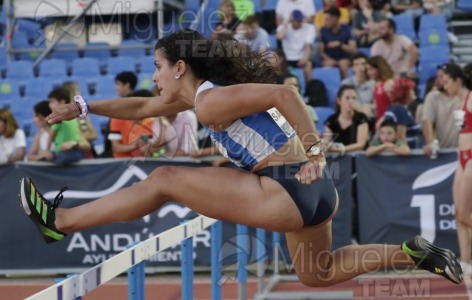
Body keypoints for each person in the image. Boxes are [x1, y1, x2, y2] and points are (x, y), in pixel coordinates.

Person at [21, 29, 462, 287]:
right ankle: (410, 253)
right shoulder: (204, 101)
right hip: (314, 194)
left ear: (179, 68)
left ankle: (61, 223)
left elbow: (285, 94)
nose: (152, 78)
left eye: (156, 67)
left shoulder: (211, 103)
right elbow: (140, 108)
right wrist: (82, 108)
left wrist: (314, 151)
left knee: (165, 179)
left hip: (288, 185)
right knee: (318, 273)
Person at [445, 64, 472, 274]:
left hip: (471, 157)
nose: (445, 86)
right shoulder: (459, 101)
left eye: (447, 81)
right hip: (461, 157)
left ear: (458, 81)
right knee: (458, 215)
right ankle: (465, 262)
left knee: (464, 214)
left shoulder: (471, 98)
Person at [323, 85, 370, 155]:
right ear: (339, 100)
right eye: (347, 98)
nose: (351, 101)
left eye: (354, 98)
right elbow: (327, 142)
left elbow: (361, 144)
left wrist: (340, 149)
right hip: (338, 160)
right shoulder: (331, 120)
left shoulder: (361, 118)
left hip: (359, 160)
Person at [380, 77, 421, 149]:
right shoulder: (399, 109)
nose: (414, 92)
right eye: (411, 90)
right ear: (404, 92)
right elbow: (401, 137)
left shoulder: (396, 107)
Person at [46, 88, 85, 165]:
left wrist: (47, 151)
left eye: (52, 102)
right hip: (77, 152)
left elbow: (50, 136)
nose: (49, 105)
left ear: (62, 102)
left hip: (63, 152)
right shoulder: (74, 117)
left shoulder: (58, 117)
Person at [276, 9, 315, 83]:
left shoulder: (309, 28)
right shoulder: (284, 27)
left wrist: (305, 58)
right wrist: (287, 24)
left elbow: (308, 46)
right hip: (286, 58)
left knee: (308, 65)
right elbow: (279, 37)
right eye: (297, 21)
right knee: (277, 63)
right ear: (292, 20)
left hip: (300, 59)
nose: (300, 23)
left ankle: (309, 88)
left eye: (301, 20)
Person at [318, 6, 357, 79]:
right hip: (330, 58)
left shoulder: (347, 30)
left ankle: (345, 85)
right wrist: (329, 59)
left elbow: (353, 49)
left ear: (335, 18)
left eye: (328, 19)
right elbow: (321, 52)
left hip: (344, 58)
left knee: (343, 64)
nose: (325, 22)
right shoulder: (323, 31)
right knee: (327, 65)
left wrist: (340, 45)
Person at [341, 52, 375, 118]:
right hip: (352, 117)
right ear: (353, 68)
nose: (360, 67)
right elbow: (344, 103)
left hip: (371, 117)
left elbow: (377, 104)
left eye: (363, 64)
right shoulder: (346, 83)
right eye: (356, 65)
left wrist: (367, 107)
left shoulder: (374, 84)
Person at [366, 55, 394, 122]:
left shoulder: (389, 83)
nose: (368, 72)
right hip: (379, 122)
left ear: (380, 68)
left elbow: (395, 106)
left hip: (389, 122)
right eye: (367, 70)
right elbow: (377, 106)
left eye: (371, 69)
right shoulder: (375, 85)